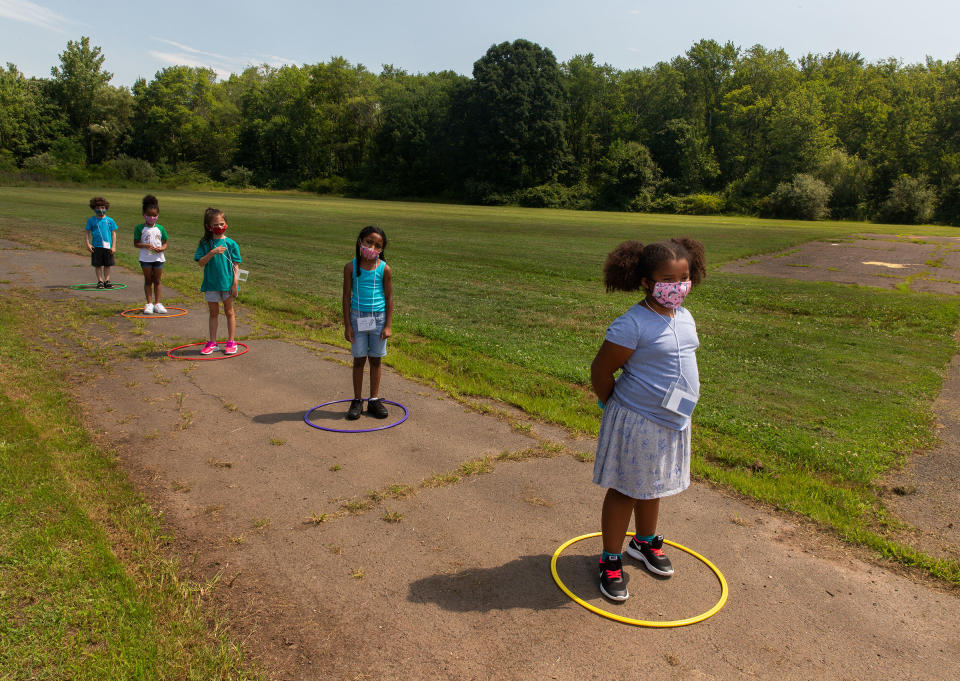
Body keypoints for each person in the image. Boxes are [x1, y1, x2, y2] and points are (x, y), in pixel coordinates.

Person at [590, 237, 706, 602]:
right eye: (669, 280)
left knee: (654, 485)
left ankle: (643, 543)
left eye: (684, 278)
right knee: (627, 488)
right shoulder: (632, 324)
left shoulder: (684, 317)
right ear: (646, 282)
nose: (679, 287)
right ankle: (610, 559)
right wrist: (613, 405)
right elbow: (601, 371)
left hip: (670, 421)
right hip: (637, 420)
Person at [342, 225, 393, 420]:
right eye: (369, 242)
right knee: (359, 359)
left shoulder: (384, 268)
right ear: (360, 242)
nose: (372, 247)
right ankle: (357, 400)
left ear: (381, 249)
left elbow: (389, 297)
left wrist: (388, 325)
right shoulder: (350, 267)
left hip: (378, 319)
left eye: (377, 245)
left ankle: (373, 399)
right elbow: (346, 296)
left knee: (375, 359)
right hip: (357, 318)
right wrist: (347, 325)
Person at [194, 207, 242, 355]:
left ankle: (231, 341)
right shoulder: (205, 243)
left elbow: (236, 265)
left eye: (222, 224)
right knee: (213, 313)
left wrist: (235, 284)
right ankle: (213, 342)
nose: (219, 227)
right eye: (216, 225)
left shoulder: (231, 243)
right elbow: (201, 262)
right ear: (209, 227)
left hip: (227, 284)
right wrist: (212, 252)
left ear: (226, 224)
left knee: (229, 312)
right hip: (211, 284)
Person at [132, 194, 169, 314]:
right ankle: (149, 303)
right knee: (148, 280)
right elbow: (136, 243)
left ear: (157, 216)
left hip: (158, 258)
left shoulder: (160, 228)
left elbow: (165, 243)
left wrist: (161, 248)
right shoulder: (139, 228)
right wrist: (145, 245)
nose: (152, 218)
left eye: (154, 215)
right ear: (144, 215)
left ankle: (158, 303)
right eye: (149, 215)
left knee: (157, 280)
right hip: (145, 258)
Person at [84, 196, 118, 288]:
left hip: (108, 247)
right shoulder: (91, 220)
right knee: (98, 265)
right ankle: (100, 281)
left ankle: (107, 281)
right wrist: (88, 244)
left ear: (106, 208)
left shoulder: (110, 220)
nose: (100, 209)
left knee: (107, 264)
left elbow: (113, 234)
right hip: (96, 246)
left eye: (102, 207)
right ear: (94, 208)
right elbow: (87, 232)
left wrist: (113, 246)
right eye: (98, 208)